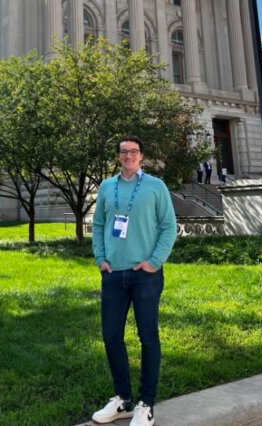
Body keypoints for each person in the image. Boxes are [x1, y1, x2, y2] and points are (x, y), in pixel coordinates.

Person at [91, 135, 177, 426]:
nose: (129, 156)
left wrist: (153, 263)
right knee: (111, 337)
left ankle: (145, 403)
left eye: (134, 151)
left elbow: (169, 227)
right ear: (118, 156)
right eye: (124, 151)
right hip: (113, 274)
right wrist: (100, 258)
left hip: (145, 276)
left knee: (148, 337)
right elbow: (99, 224)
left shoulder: (155, 186)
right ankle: (123, 400)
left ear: (142, 156)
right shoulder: (106, 186)